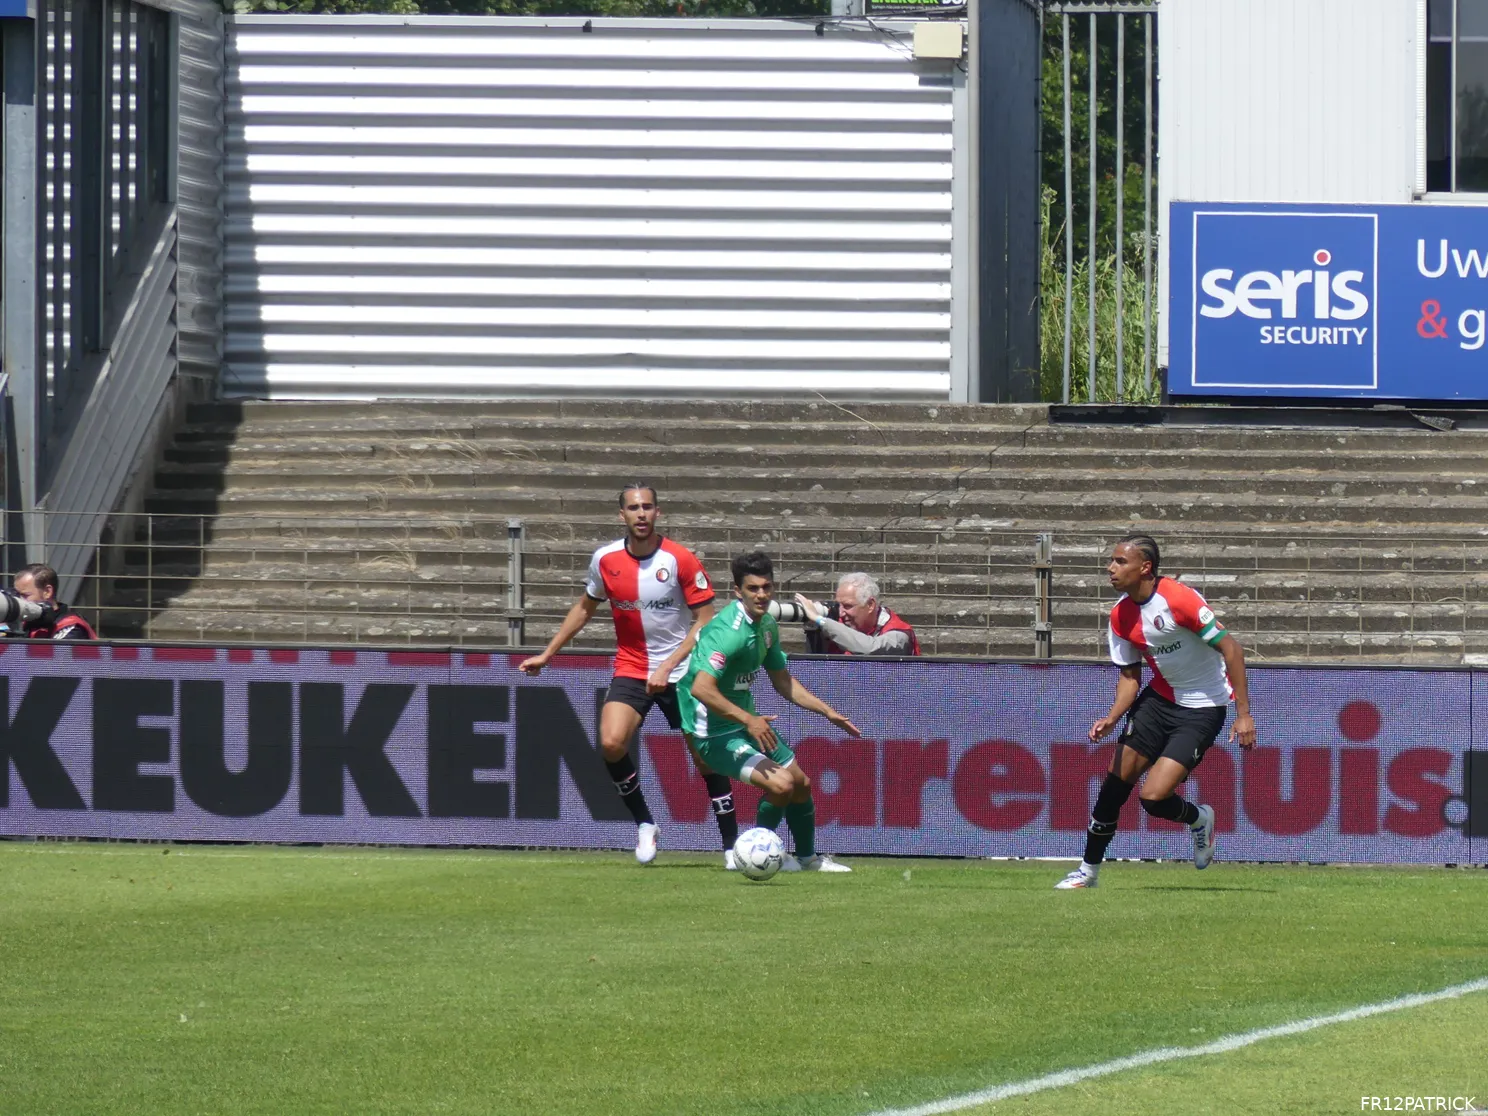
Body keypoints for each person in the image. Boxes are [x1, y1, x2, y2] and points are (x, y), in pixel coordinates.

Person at [518, 484, 739, 867]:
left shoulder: (680, 559)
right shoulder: (605, 559)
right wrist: (547, 653)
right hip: (633, 667)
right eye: (634, 507)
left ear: (658, 513)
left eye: (648, 507)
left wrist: (669, 665)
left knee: (705, 759)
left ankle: (731, 847)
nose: (641, 514)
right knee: (611, 742)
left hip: (682, 670)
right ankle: (644, 824)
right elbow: (585, 609)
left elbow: (706, 621)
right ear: (621, 514)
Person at [1056, 534, 1256, 890]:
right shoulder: (1120, 615)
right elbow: (1130, 677)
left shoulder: (1179, 599)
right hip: (1159, 702)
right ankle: (1087, 872)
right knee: (1114, 785)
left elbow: (1233, 651)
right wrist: (1113, 716)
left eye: (1120, 561)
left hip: (1203, 708)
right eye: (1112, 561)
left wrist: (1243, 714)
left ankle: (1199, 820)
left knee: (1153, 798)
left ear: (1144, 567)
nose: (1110, 568)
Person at [679, 550, 863, 872]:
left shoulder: (766, 626)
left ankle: (807, 859)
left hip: (746, 723)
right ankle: (750, 856)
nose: (761, 595)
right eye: (753, 588)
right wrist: (749, 719)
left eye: (766, 587)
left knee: (801, 783)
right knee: (781, 785)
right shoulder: (726, 632)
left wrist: (827, 712)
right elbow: (701, 689)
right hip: (713, 733)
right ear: (738, 591)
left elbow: (783, 681)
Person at [791, 572, 919, 656]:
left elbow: (869, 648)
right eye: (839, 605)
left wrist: (820, 620)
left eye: (847, 606)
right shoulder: (838, 620)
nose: (841, 613)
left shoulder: (899, 636)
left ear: (870, 605)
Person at [12, 564, 97, 640]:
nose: (20, 600)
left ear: (47, 592)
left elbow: (56, 656)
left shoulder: (71, 626)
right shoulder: (30, 622)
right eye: (17, 595)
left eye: (25, 595)